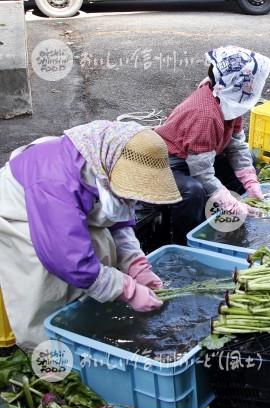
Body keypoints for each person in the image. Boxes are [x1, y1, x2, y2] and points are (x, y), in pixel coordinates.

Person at [0, 121, 182, 350]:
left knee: (103, 246)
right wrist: (129, 290)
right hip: (21, 213)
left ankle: (87, 310)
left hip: (60, 210)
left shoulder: (104, 159)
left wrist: (137, 265)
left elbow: (118, 218)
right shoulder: (55, 181)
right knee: (46, 284)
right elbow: (67, 258)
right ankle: (48, 352)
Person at [155, 46, 270, 245]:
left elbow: (236, 144)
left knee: (247, 162)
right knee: (194, 190)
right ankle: (184, 241)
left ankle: (231, 218)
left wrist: (251, 183)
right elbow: (201, 171)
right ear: (236, 82)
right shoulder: (204, 114)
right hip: (168, 163)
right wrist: (224, 197)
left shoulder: (228, 99)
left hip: (200, 157)